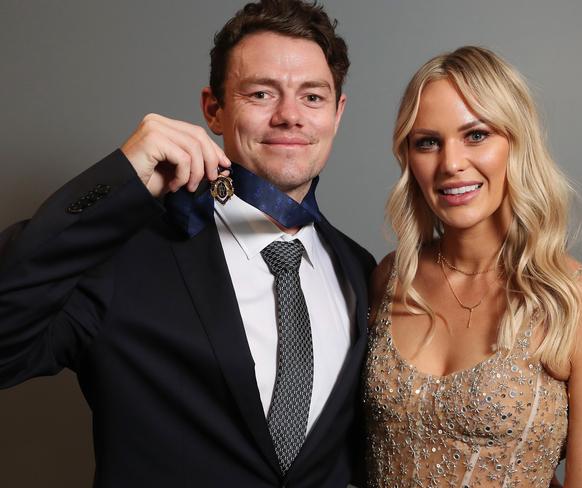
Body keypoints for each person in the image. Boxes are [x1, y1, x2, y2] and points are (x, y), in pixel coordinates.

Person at [0, 0, 375, 486]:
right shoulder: (126, 254)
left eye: (313, 97)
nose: (290, 116)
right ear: (213, 109)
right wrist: (120, 180)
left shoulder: (361, 271)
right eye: (261, 93)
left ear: (337, 112)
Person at [363, 46, 582, 487]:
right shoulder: (392, 277)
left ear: (516, 141)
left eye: (476, 135)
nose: (451, 164)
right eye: (428, 142)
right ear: (409, 158)